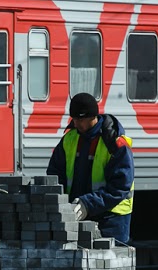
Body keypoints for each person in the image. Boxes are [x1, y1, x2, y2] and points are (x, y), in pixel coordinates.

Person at [47, 92, 134, 245]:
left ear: (93, 117)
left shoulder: (115, 143)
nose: (77, 124)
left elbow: (120, 186)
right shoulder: (69, 139)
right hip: (79, 213)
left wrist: (88, 204)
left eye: (80, 119)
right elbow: (55, 173)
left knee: (112, 265)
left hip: (112, 219)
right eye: (74, 119)